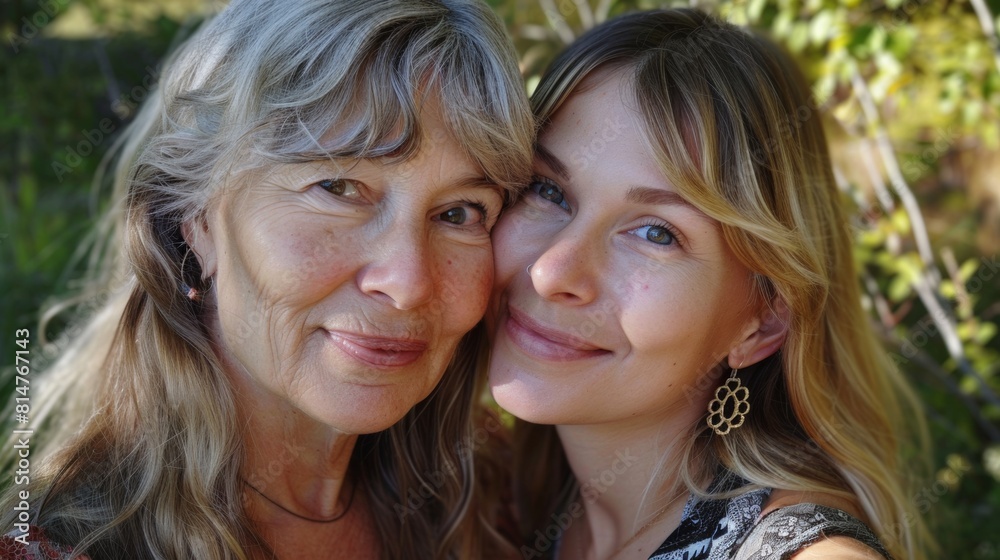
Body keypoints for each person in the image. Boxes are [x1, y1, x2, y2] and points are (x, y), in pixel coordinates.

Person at [0, 0, 534, 558]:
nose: (407, 282)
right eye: (338, 188)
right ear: (195, 222)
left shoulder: (495, 497)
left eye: (458, 213)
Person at [488, 9, 929, 560]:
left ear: (762, 322)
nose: (551, 271)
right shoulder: (502, 506)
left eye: (655, 233)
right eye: (547, 190)